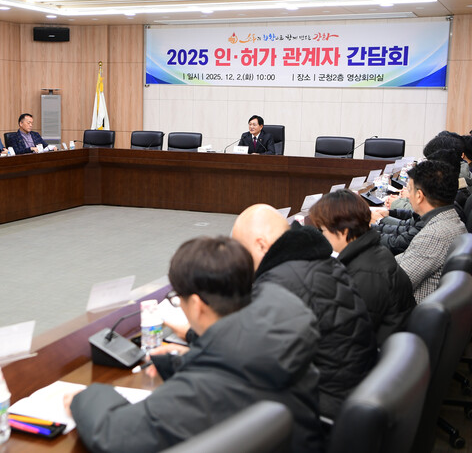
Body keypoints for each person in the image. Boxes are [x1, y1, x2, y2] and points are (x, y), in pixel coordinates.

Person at [67, 236, 323, 453]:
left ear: (197, 305)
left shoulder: (205, 388)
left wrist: (84, 398)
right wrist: (184, 361)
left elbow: (116, 435)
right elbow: (234, 370)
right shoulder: (282, 321)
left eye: (179, 299)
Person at [231, 204, 376, 420]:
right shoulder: (323, 261)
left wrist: (197, 332)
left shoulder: (280, 282)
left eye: (242, 252)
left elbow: (247, 355)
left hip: (322, 408)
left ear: (261, 245)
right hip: (350, 387)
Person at [308, 190, 415, 345]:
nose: (323, 236)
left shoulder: (366, 274)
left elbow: (346, 334)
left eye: (323, 230)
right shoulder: (375, 252)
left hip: (377, 351)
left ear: (343, 231)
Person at [395, 160, 466, 303]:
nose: (408, 195)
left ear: (419, 196)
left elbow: (393, 285)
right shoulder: (451, 219)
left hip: (409, 309)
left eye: (409, 189)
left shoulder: (434, 235)